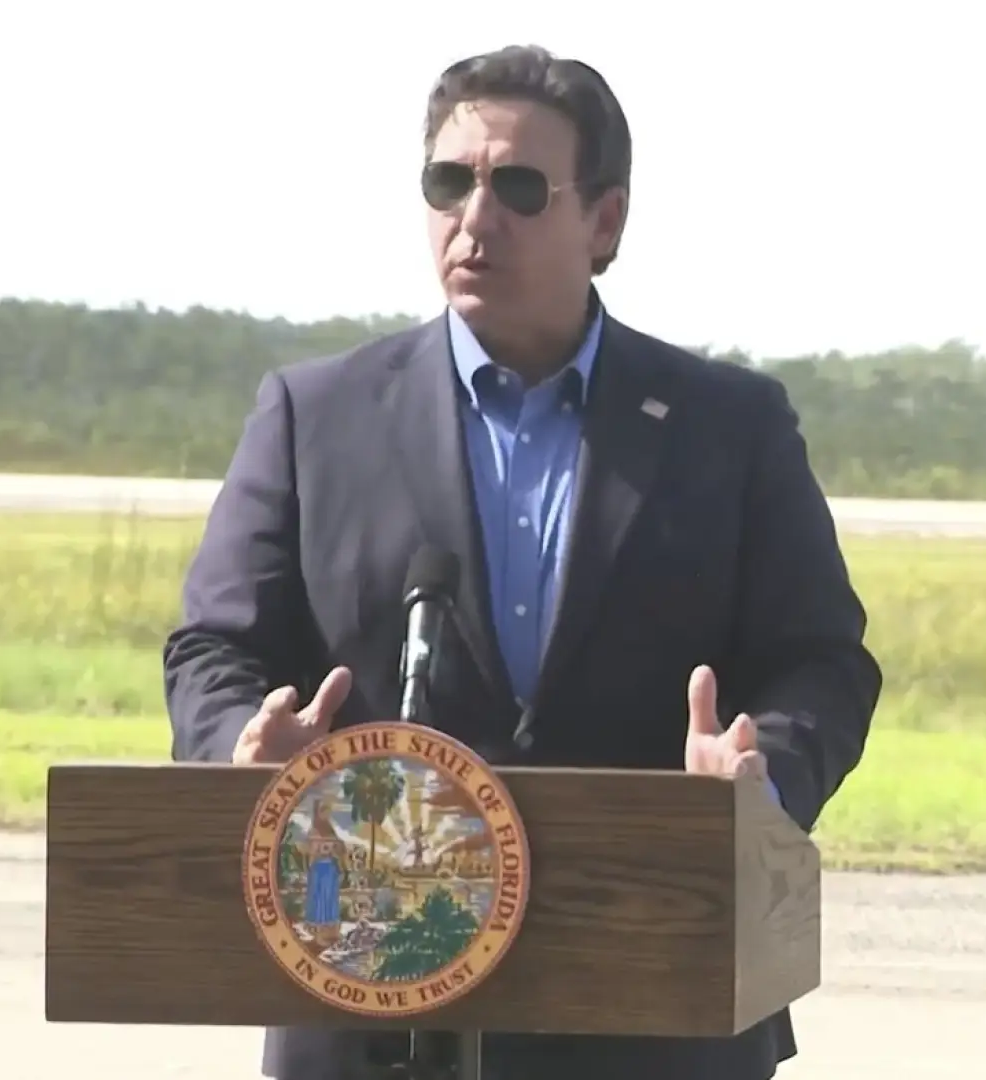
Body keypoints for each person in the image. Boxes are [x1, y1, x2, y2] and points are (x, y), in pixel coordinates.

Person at [163, 43, 884, 1080]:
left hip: (655, 997)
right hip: (368, 999)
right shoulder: (314, 417)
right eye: (448, 182)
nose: (474, 217)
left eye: (518, 188)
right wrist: (240, 749)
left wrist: (757, 778)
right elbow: (213, 647)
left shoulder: (729, 426)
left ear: (606, 222)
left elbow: (821, 662)